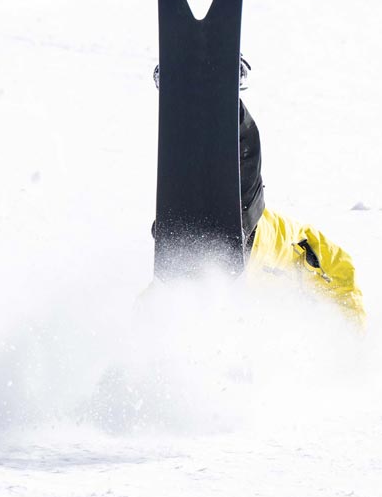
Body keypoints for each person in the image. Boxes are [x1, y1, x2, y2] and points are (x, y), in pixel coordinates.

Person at [153, 58, 366, 323]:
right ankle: (223, 99)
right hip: (253, 234)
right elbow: (344, 280)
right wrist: (352, 344)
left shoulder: (287, 322)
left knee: (172, 295)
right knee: (239, 182)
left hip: (205, 259)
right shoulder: (323, 265)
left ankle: (195, 99)